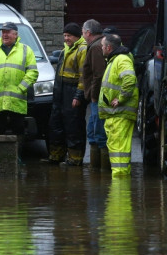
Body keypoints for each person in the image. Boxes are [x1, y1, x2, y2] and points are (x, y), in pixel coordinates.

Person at [0, 22, 38, 152]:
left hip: (17, 101)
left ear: (16, 34)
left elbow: (32, 71)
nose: (4, 35)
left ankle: (17, 157)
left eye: (8, 32)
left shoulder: (26, 50)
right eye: (3, 32)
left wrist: (21, 88)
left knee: (18, 131)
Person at [45, 22, 88, 165]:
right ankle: (56, 156)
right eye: (64, 35)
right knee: (56, 124)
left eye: (69, 35)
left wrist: (78, 95)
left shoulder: (82, 50)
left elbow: (84, 76)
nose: (66, 38)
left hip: (72, 90)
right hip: (60, 90)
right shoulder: (66, 49)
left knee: (73, 125)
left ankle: (75, 158)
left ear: (76, 36)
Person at [98, 33, 138, 177]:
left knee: (118, 148)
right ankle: (121, 180)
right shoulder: (115, 59)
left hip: (119, 113)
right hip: (115, 114)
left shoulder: (121, 60)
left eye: (102, 46)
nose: (101, 48)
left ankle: (119, 182)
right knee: (119, 147)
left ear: (108, 47)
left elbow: (129, 79)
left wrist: (120, 99)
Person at [79, 19, 108, 171]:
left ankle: (101, 172)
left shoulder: (96, 47)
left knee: (99, 134)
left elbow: (98, 75)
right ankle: (95, 171)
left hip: (97, 98)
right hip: (95, 98)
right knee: (93, 132)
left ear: (88, 33)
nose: (82, 35)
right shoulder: (97, 45)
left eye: (83, 32)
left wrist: (94, 96)